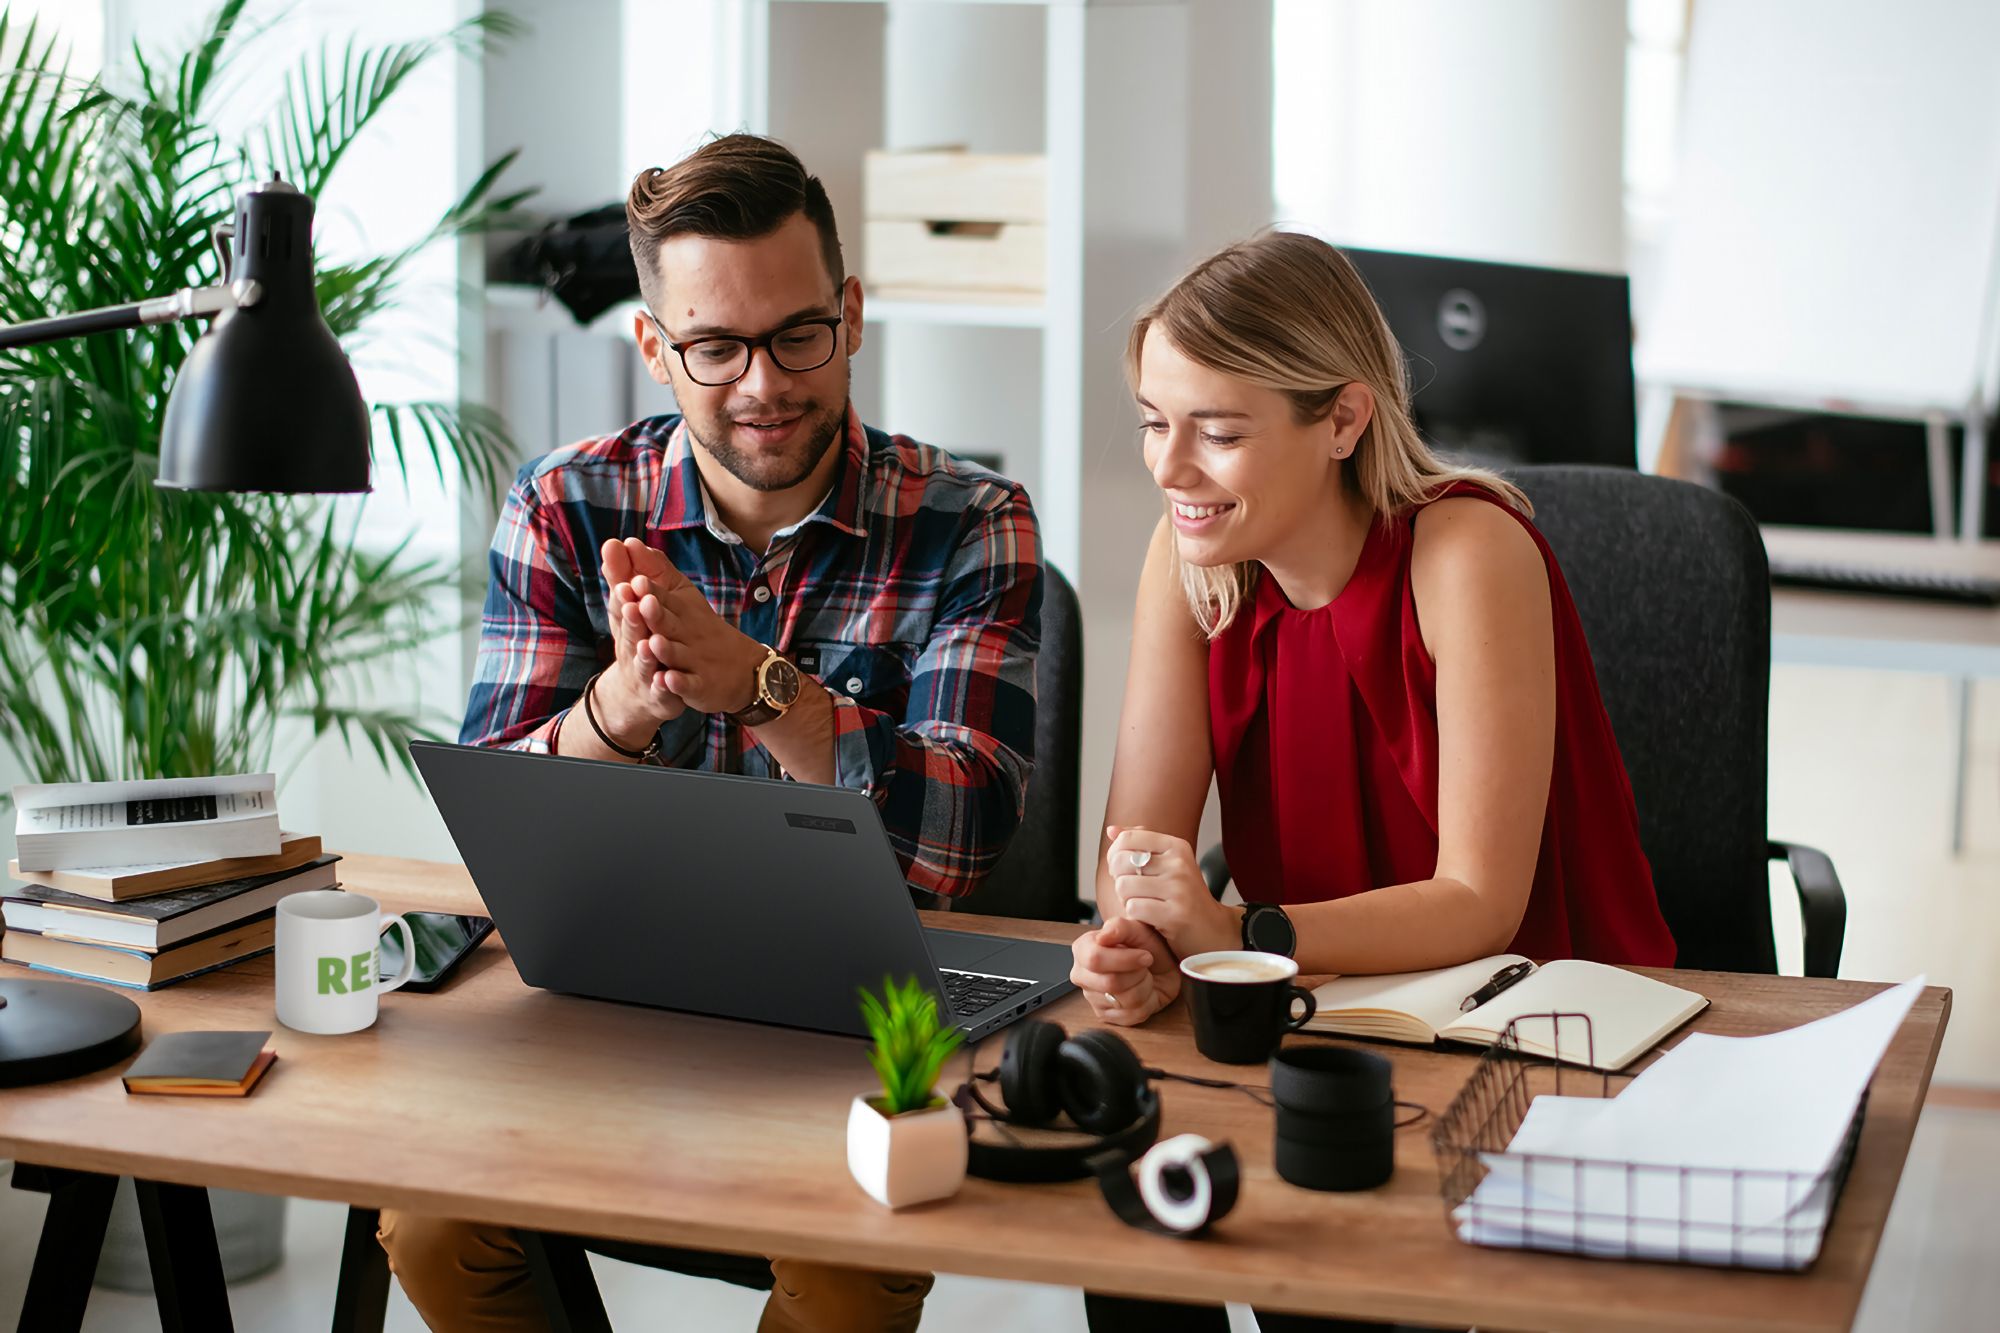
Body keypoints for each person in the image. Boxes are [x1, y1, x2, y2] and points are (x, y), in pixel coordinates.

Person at [377, 133, 1042, 1333]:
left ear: (847, 312)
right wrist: (622, 711)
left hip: (860, 1016)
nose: (761, 384)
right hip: (609, 1007)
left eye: (795, 333)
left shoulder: (972, 522)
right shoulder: (567, 503)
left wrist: (762, 691)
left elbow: (959, 845)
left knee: (845, 1271)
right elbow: (491, 831)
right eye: (713, 346)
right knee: (428, 1221)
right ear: (651, 345)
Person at [1069, 231, 1675, 1333]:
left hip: (1527, 1030)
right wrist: (1136, 938)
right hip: (1319, 1014)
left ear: (1341, 419)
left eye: (1217, 431)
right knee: (1132, 1236)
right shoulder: (1193, 553)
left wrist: (1232, 934)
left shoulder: (1463, 552)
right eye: (1156, 423)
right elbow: (1139, 849)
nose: (1168, 468)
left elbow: (1478, 903)